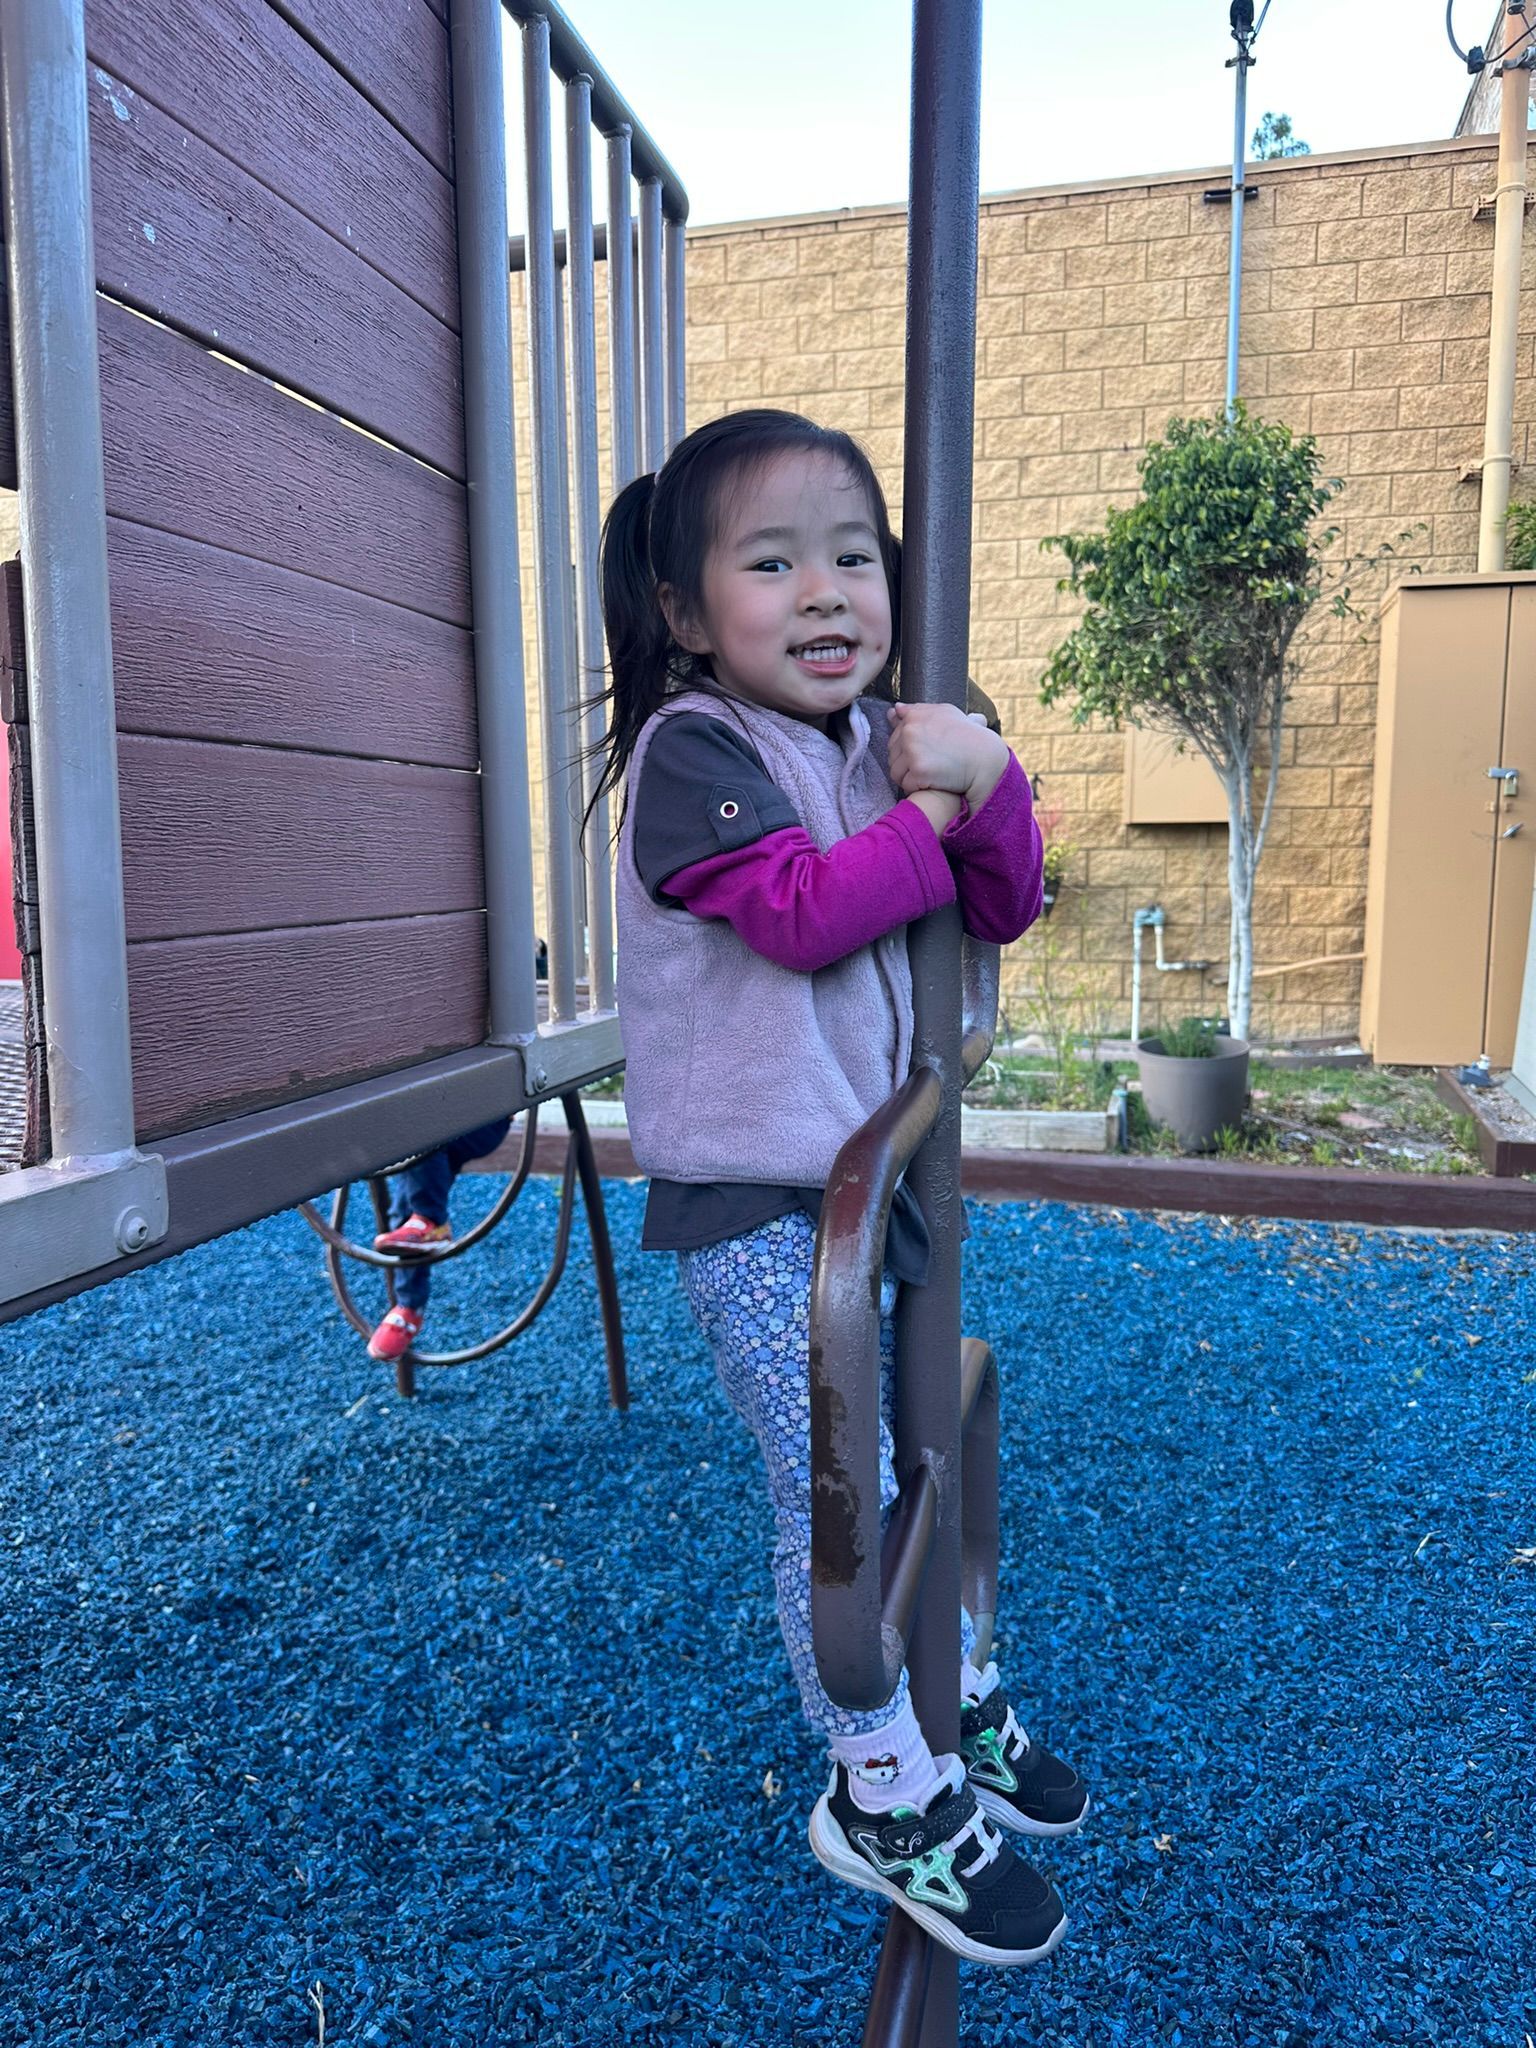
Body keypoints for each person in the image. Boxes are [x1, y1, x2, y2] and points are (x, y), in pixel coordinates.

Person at [597, 410, 1088, 1969]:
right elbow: (806, 914)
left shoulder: (877, 739)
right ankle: (876, 1779)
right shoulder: (694, 755)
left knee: (923, 1438)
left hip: (862, 1185)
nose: (824, 593)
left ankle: (955, 1691)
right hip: (756, 1204)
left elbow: (1008, 899)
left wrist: (991, 780)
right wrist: (934, 810)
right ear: (684, 612)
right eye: (771, 563)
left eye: (854, 559)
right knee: (838, 1485)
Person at [366, 1114, 512, 1361]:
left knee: (419, 1137)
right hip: (429, 1121)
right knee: (413, 1174)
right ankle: (410, 1302)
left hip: (481, 1121)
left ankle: (429, 1222)